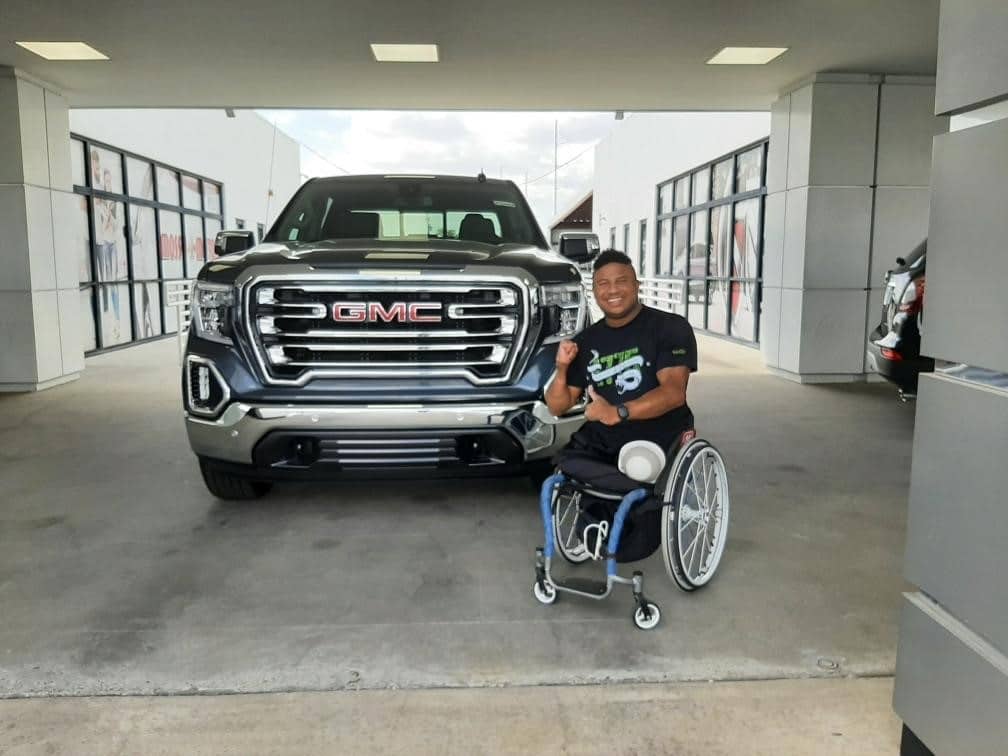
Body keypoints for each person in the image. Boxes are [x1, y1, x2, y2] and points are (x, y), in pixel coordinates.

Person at [545, 249, 697, 467]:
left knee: (638, 467)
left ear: (636, 285)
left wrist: (618, 412)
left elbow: (673, 393)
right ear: (594, 291)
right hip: (604, 438)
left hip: (658, 433)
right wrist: (561, 368)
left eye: (621, 281)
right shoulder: (586, 341)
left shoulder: (670, 327)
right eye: (603, 283)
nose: (613, 290)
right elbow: (557, 406)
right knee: (563, 468)